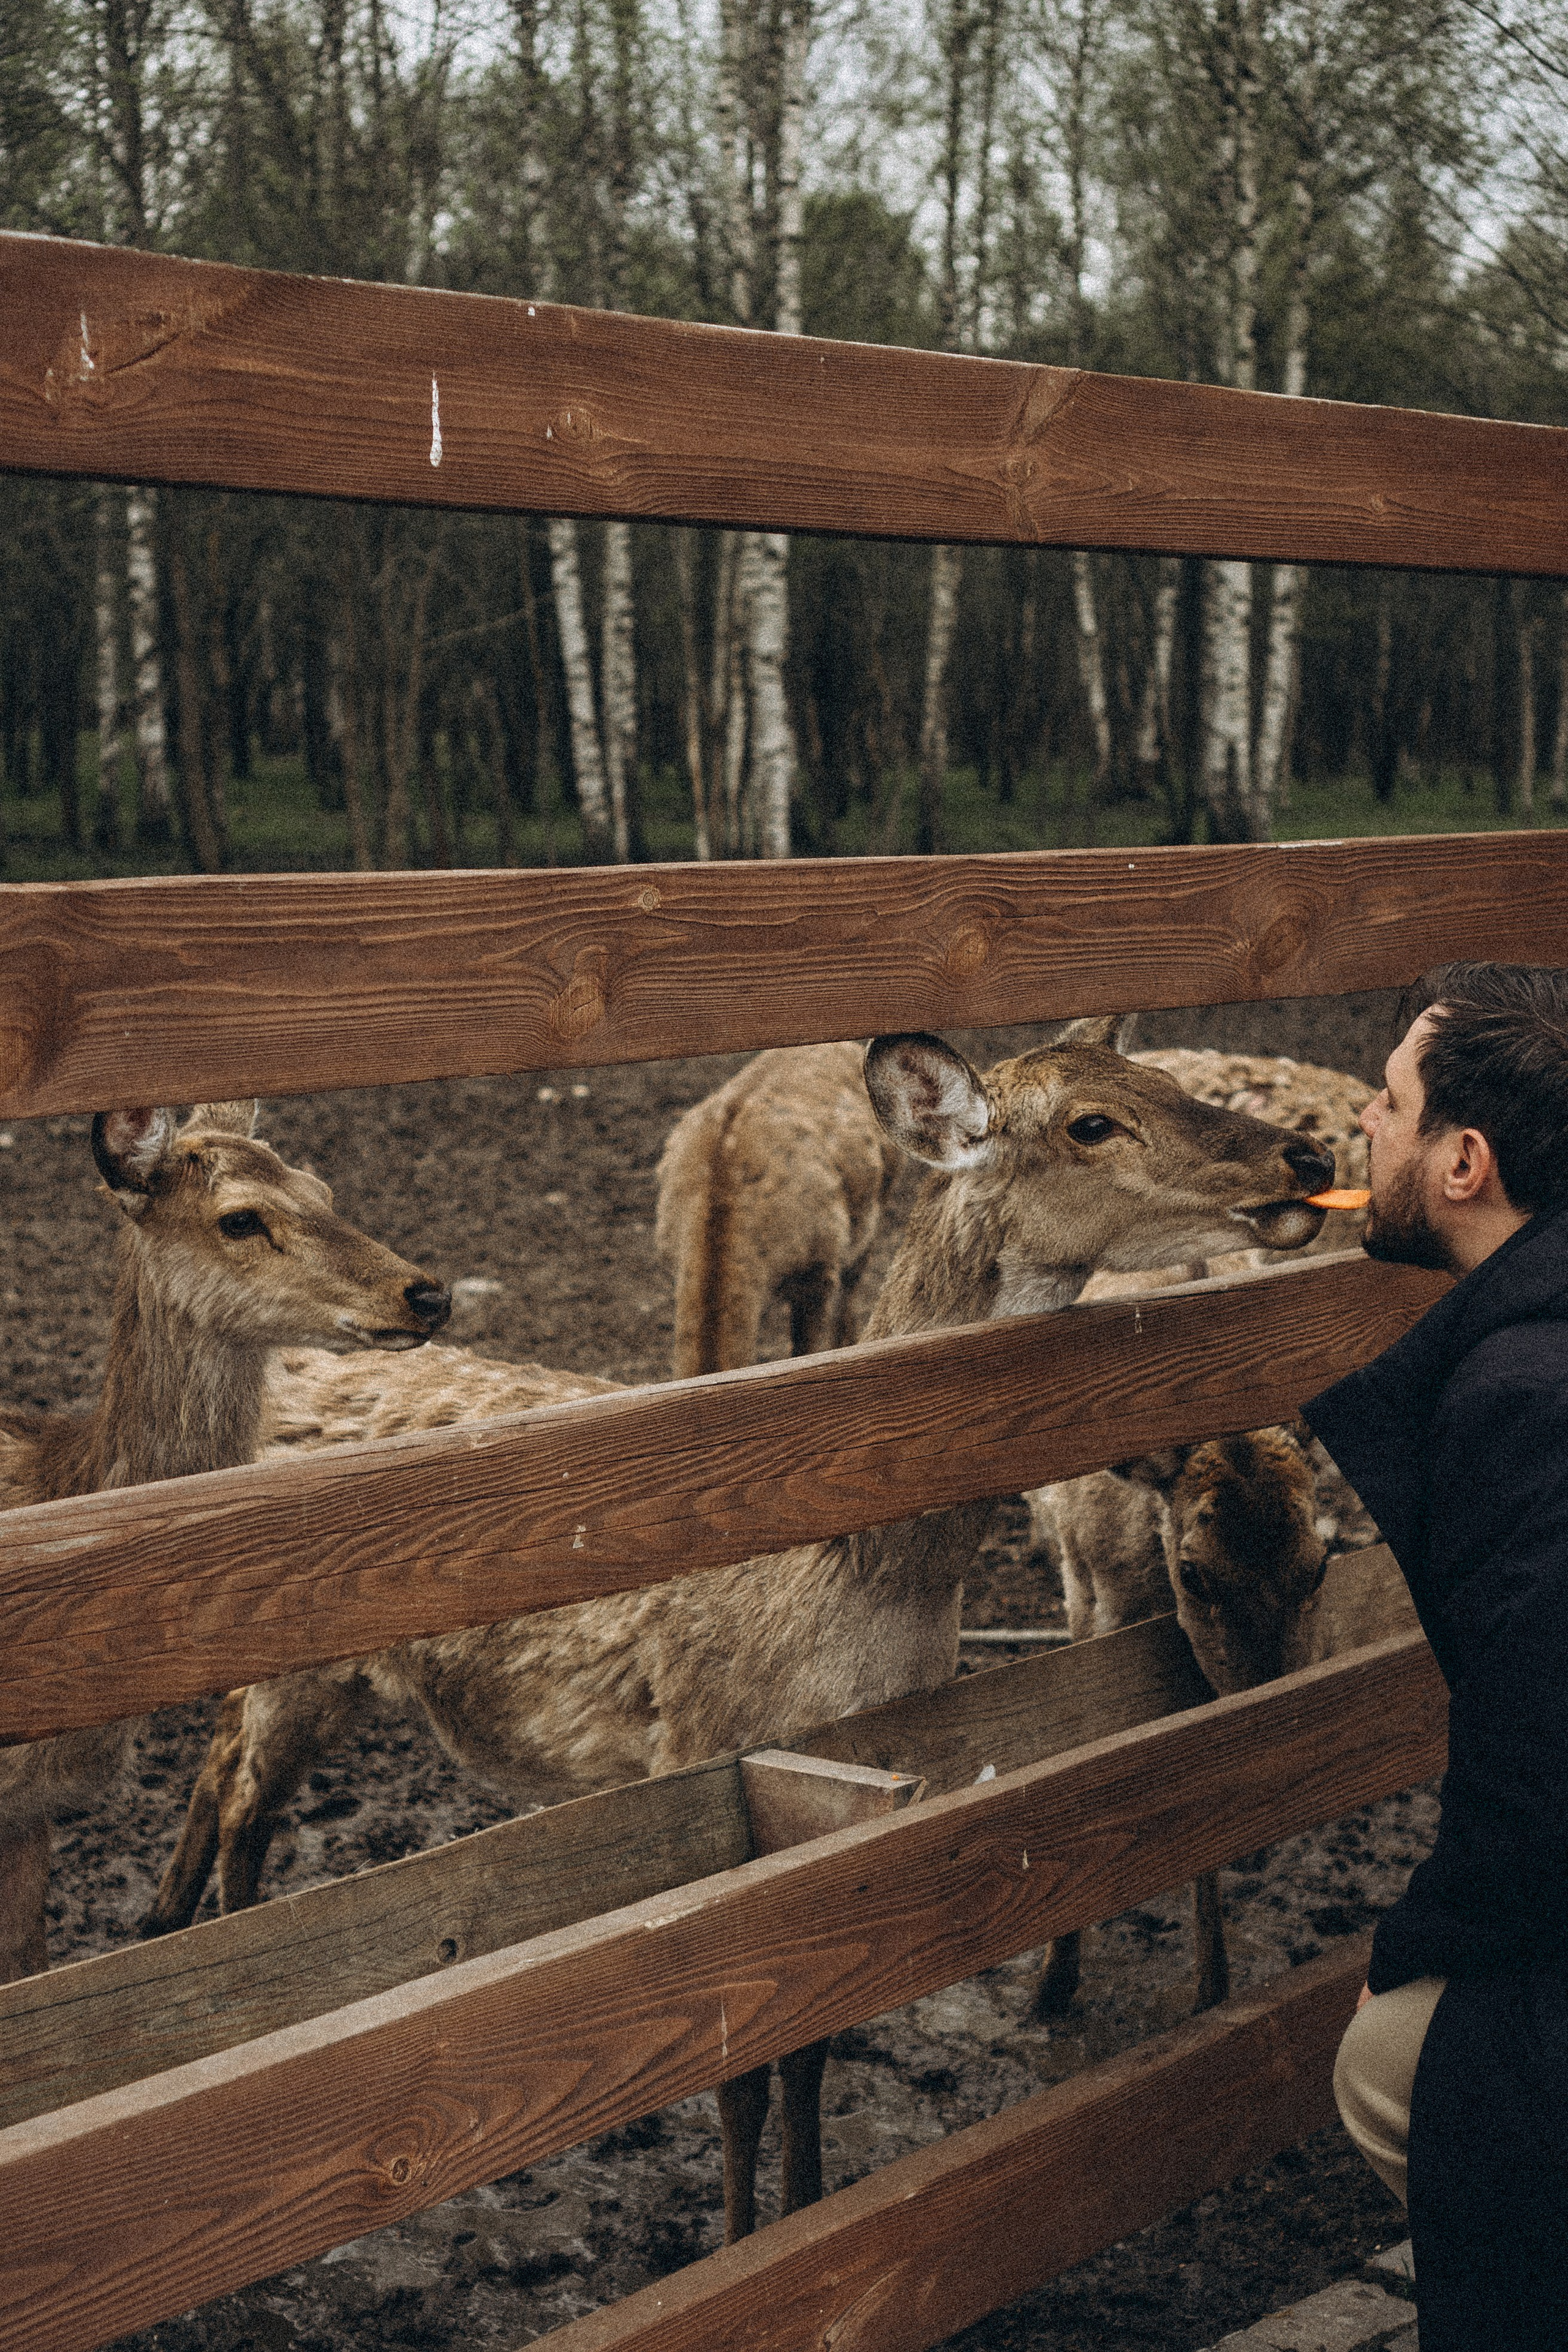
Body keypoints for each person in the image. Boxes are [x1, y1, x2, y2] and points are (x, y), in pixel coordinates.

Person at [1303, 962, 1568, 2352]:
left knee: (1395, 2058)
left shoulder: (1526, 1399)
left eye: (1390, 1101)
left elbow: (1538, 1770)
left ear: (1463, 1164)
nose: (1363, 1117)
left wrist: (1416, 1946)